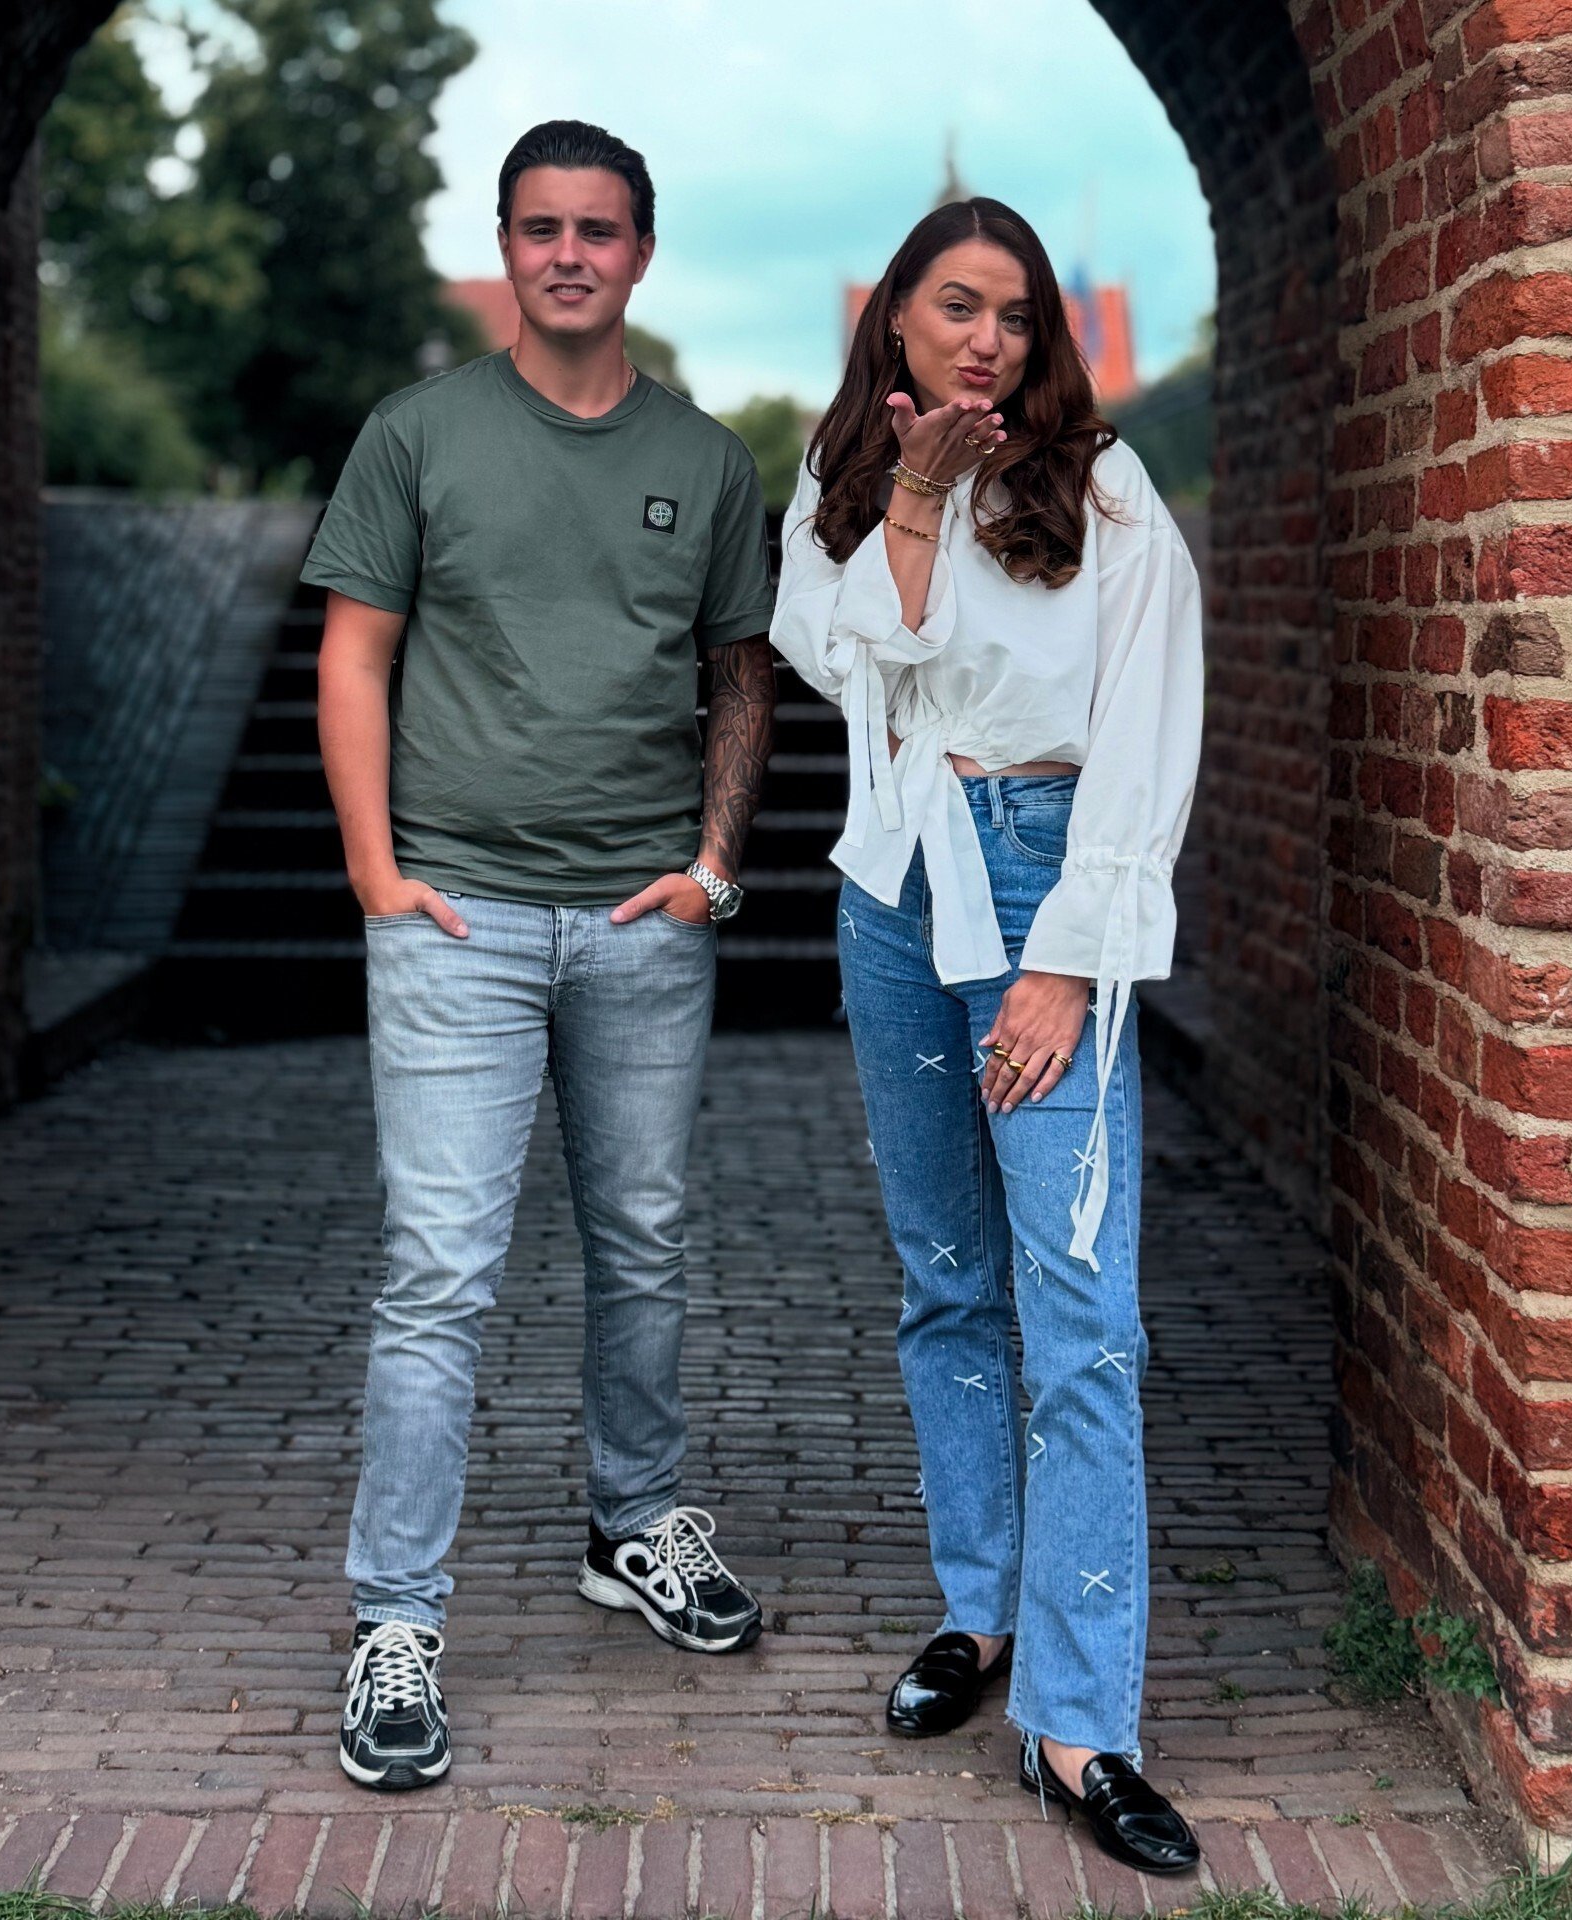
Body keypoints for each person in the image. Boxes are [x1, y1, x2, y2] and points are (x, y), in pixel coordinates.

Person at [306, 119, 778, 1794]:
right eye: (540, 227)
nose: (568, 253)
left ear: (641, 250)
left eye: (598, 228)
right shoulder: (418, 435)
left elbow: (740, 672)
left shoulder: (707, 462)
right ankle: (396, 1620)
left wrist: (713, 869)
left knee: (643, 1243)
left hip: (643, 925)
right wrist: (377, 877)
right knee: (440, 1271)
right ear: (506, 246)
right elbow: (355, 658)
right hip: (459, 919)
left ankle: (632, 1526)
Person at [770, 197, 1203, 1875]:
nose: (988, 340)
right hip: (893, 885)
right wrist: (914, 498)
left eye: (1016, 316)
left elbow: (1145, 734)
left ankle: (1083, 1726)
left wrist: (1069, 961)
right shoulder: (841, 486)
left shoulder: (1107, 491)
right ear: (896, 316)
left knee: (1081, 1317)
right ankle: (983, 1611)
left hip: (1040, 878)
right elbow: (846, 665)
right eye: (958, 306)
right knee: (946, 1279)